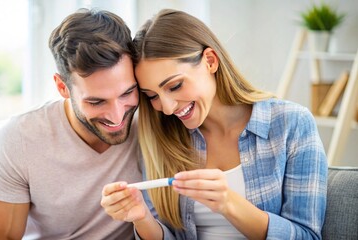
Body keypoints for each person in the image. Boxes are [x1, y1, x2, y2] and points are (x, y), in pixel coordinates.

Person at [101, 9, 327, 240]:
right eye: (153, 96)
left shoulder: (292, 124)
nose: (167, 108)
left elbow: (307, 236)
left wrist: (228, 203)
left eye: (175, 86)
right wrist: (141, 218)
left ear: (210, 61)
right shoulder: (160, 135)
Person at [0, 8, 142, 239]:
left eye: (127, 93)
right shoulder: (19, 138)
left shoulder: (154, 120)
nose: (117, 117)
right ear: (62, 87)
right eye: (96, 101)